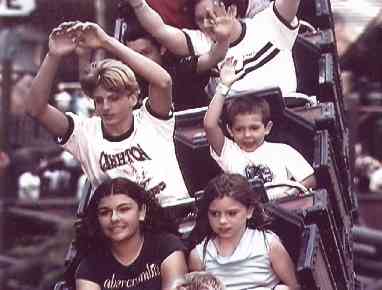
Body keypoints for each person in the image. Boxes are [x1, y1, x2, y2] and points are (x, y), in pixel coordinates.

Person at [27, 21, 189, 203]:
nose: (105, 106)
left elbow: (163, 81)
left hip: (172, 216)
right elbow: (36, 109)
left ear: (132, 98)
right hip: (118, 224)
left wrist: (107, 42)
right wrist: (53, 55)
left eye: (113, 98)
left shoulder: (152, 120)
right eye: (99, 100)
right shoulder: (85, 134)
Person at [126, 0, 301, 97]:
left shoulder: (268, 21)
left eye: (212, 14)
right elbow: (159, 30)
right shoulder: (201, 41)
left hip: (288, 110)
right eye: (200, 20)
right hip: (235, 124)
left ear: (231, 10)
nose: (207, 23)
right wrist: (137, 4)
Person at [203, 58, 316, 200]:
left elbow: (310, 179)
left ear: (267, 128)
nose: (247, 134)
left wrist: (285, 196)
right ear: (230, 130)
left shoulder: (282, 151)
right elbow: (209, 125)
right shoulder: (228, 151)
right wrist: (224, 86)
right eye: (239, 129)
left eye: (254, 128)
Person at [187, 173, 300, 290]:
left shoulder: (269, 244)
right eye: (215, 214)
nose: (222, 221)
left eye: (231, 213)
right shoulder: (199, 256)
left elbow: (294, 286)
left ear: (249, 211)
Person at [75, 177, 188, 290]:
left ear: (142, 212)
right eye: (104, 212)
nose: (114, 218)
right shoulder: (89, 268)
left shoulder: (167, 247)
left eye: (123, 209)